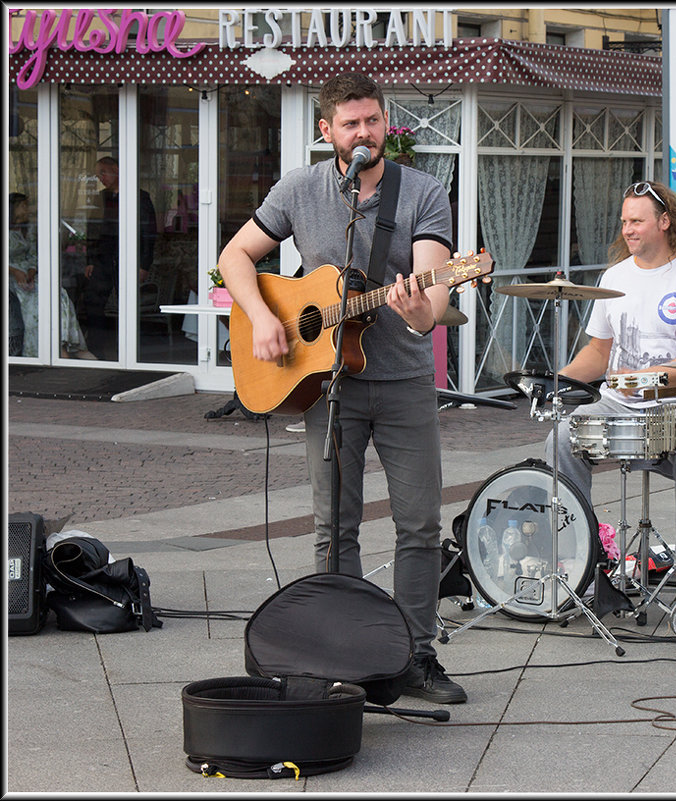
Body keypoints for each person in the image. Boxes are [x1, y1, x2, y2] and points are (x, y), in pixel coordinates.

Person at [218, 73, 464, 704]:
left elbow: (435, 293)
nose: (365, 133)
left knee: (418, 525)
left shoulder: (423, 192)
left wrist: (419, 309)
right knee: (334, 526)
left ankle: (414, 655)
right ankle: (342, 655)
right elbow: (235, 257)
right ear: (327, 131)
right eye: (351, 124)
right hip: (327, 384)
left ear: (387, 125)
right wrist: (267, 318)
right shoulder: (299, 189)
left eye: (374, 121)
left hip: (405, 381)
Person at [544, 180, 676, 594]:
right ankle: (581, 559)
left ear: (665, 222)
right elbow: (597, 351)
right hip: (618, 407)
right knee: (560, 438)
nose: (627, 229)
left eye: (637, 221)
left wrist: (644, 378)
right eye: (624, 221)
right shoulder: (614, 277)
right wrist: (557, 381)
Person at [81, 156, 157, 358]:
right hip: (103, 258)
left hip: (129, 256)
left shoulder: (139, 197)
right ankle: (96, 349)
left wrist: (144, 264)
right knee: (93, 300)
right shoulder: (101, 197)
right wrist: (90, 259)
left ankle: (132, 352)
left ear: (116, 169)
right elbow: (92, 229)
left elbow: (149, 233)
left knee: (128, 303)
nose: (101, 178)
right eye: (98, 175)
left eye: (103, 173)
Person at [8, 192, 96, 359]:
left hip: (28, 276)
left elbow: (34, 254)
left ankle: (64, 342)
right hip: (11, 277)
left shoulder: (28, 228)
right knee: (38, 301)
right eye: (24, 206)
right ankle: (54, 349)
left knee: (58, 294)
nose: (28, 209)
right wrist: (15, 271)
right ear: (14, 208)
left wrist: (31, 272)